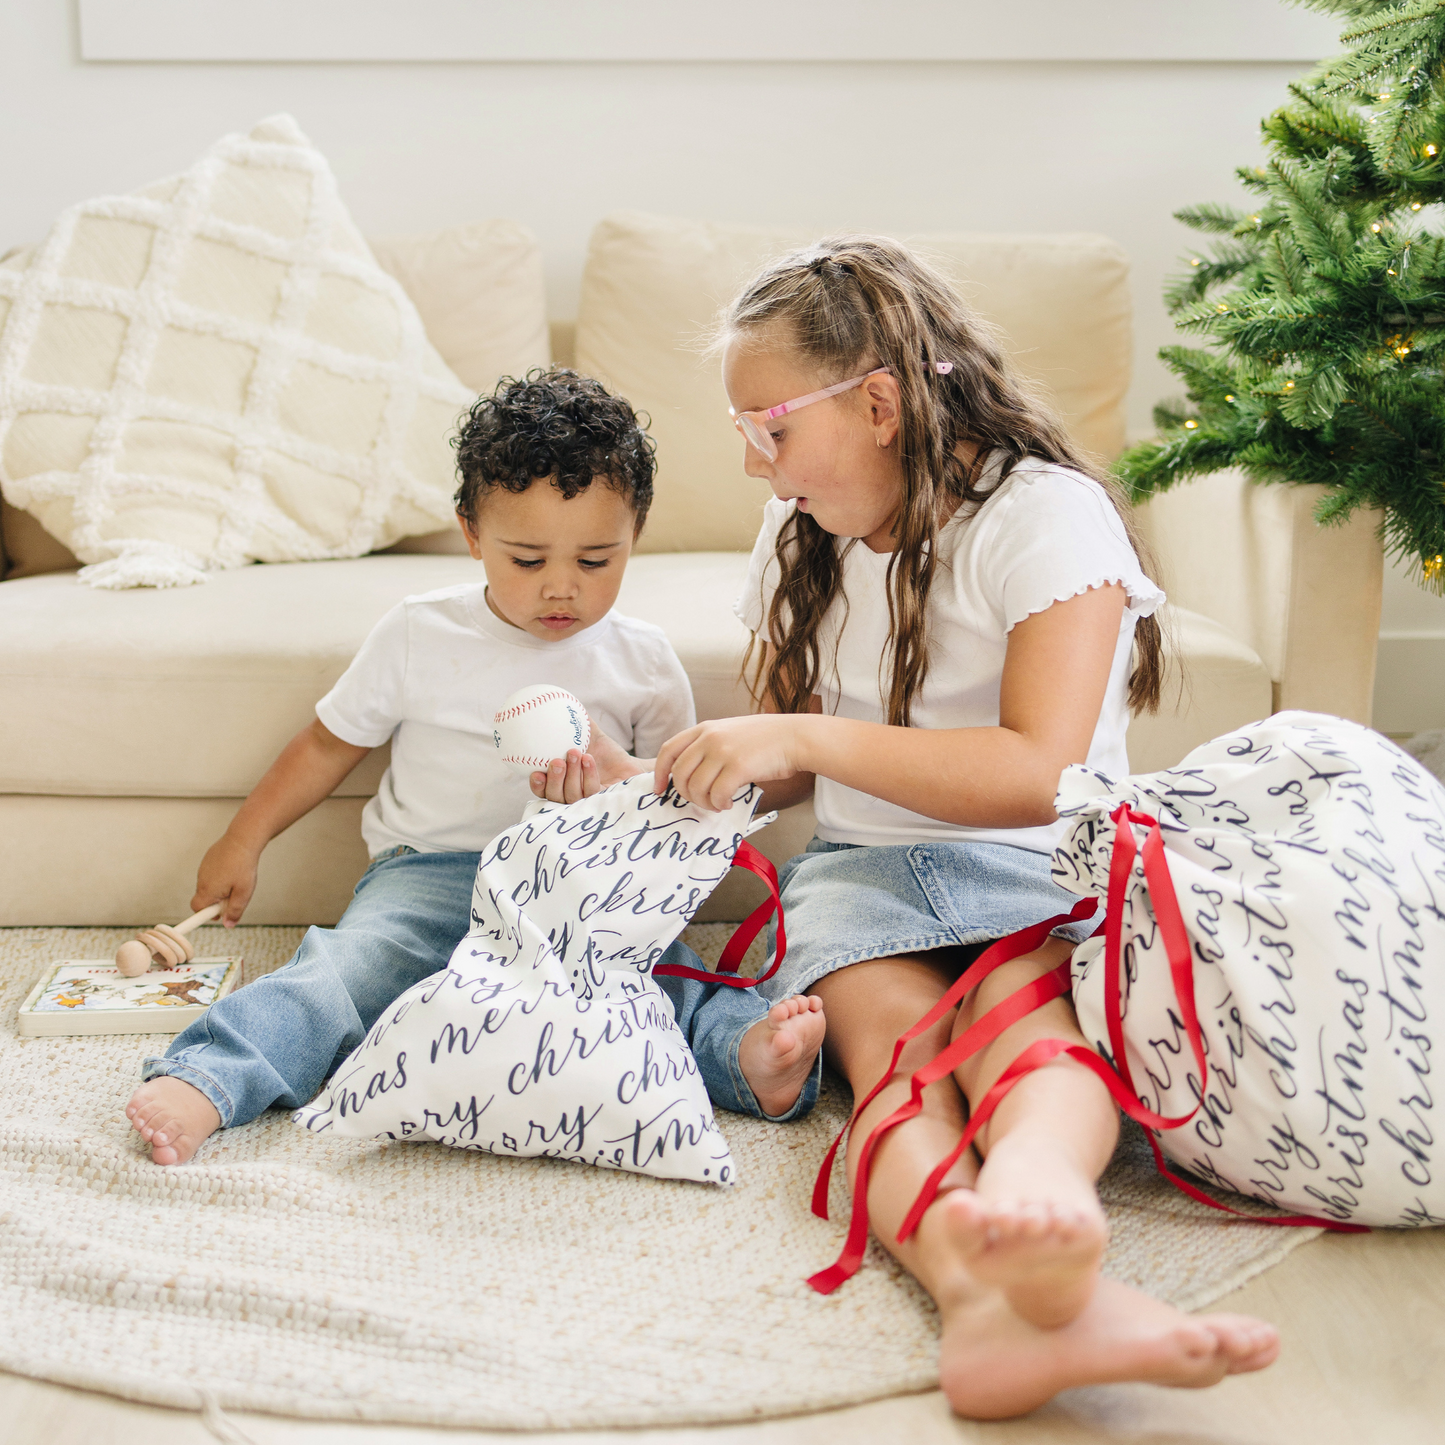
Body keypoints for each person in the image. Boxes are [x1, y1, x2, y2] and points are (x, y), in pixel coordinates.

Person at [652, 238, 1281, 1419]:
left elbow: (1037, 770)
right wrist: (685, 771)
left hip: (1033, 863)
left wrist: (798, 738)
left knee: (1020, 1023)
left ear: (878, 403)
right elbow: (795, 755)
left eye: (771, 427)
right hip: (860, 876)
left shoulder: (1043, 518)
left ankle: (1045, 1198)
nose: (753, 463)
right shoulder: (798, 537)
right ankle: (975, 1294)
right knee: (888, 1057)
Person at [125, 369, 824, 1167]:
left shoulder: (641, 657)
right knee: (342, 972)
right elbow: (326, 743)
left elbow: (670, 800)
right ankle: (211, 1076)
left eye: (597, 559)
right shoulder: (420, 633)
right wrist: (242, 840)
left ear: (636, 532)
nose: (561, 586)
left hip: (571, 879)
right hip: (430, 874)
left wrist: (613, 787)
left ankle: (750, 1059)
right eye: (526, 558)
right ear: (470, 533)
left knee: (664, 975)